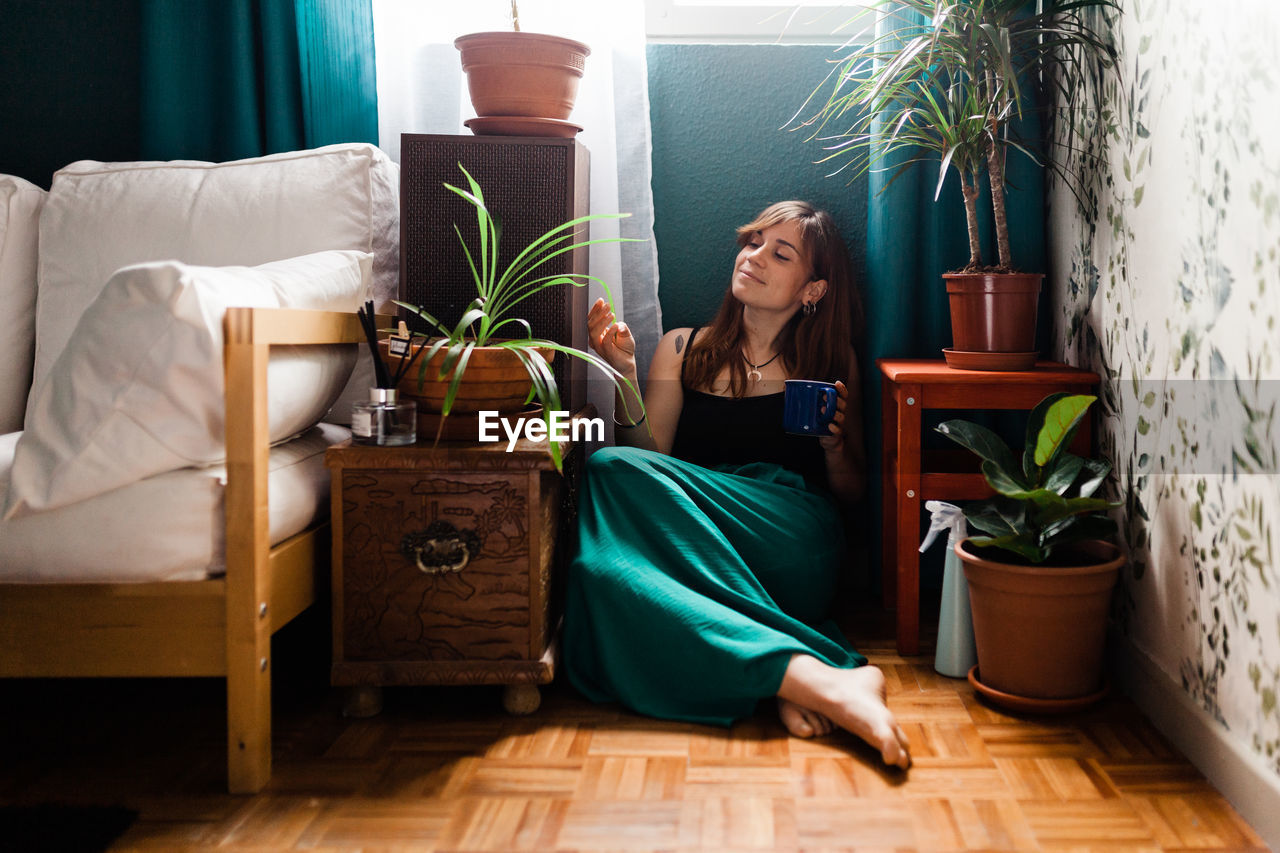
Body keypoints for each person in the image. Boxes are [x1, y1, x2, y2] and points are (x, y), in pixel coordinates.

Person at [561, 200, 911, 769]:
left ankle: (778, 676)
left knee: (607, 478)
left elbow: (850, 495)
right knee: (599, 568)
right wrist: (624, 374)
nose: (755, 257)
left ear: (813, 289)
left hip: (791, 541)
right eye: (752, 242)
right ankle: (802, 679)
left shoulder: (827, 359)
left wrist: (835, 446)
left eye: (781, 252)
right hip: (699, 548)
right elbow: (648, 463)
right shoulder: (681, 349)